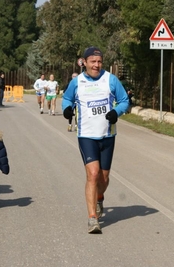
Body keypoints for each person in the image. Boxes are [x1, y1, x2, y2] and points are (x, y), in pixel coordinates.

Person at [62, 46, 129, 233]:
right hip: (86, 136)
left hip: (107, 135)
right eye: (93, 62)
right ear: (85, 62)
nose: (96, 65)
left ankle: (99, 197)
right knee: (92, 174)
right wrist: (67, 109)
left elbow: (124, 100)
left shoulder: (111, 80)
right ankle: (92, 218)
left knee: (104, 177)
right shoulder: (78, 82)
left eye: (99, 62)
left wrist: (116, 112)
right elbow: (67, 99)